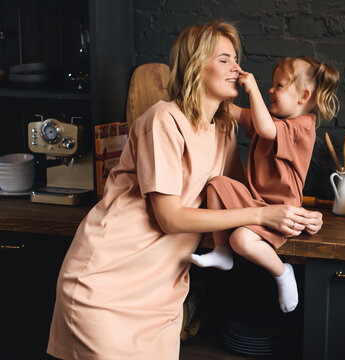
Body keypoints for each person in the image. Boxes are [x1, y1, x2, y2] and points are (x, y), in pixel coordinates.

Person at [46, 21, 323, 360]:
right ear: (194, 66)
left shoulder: (223, 129)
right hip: (106, 284)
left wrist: (298, 213)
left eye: (236, 58)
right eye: (224, 59)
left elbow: (242, 199)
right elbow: (170, 218)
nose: (237, 68)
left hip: (163, 295)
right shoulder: (162, 120)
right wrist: (264, 214)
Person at [189, 56, 340, 313]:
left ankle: (283, 273)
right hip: (254, 201)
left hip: (281, 211)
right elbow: (232, 111)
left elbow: (267, 129)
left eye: (279, 86)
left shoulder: (302, 126)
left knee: (243, 241)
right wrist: (208, 87)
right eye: (271, 85)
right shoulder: (269, 118)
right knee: (216, 184)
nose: (271, 90)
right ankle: (221, 250)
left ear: (303, 96)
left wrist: (253, 90)